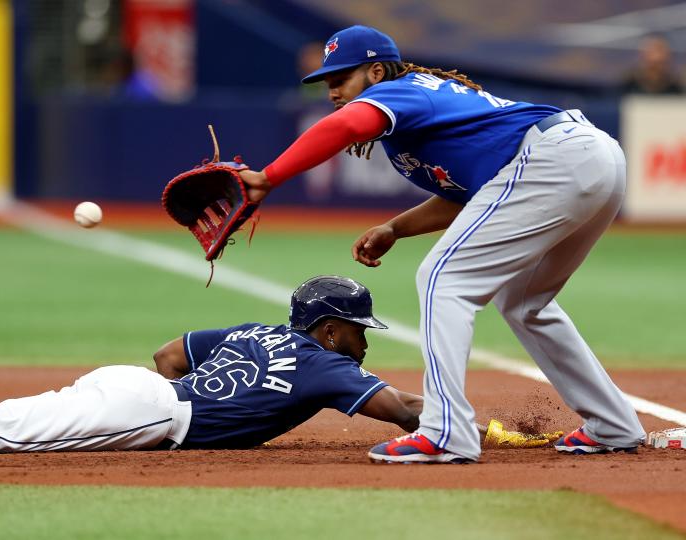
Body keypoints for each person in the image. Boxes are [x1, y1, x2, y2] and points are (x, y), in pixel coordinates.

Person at [236, 25, 646, 463]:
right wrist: (395, 228)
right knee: (525, 303)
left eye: (341, 80)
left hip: (553, 160)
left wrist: (268, 176)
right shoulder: (414, 112)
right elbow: (469, 195)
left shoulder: (402, 90)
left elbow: (349, 123)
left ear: (376, 72)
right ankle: (612, 424)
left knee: (442, 278)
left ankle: (445, 431)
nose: (333, 92)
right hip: (584, 159)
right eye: (328, 84)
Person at [0, 276, 554, 456]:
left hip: (138, 386)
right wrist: (486, 428)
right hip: (155, 414)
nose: (366, 343)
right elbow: (412, 415)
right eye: (358, 330)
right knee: (1, 434)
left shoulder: (253, 329)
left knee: (9, 429)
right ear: (328, 327)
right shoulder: (323, 368)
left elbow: (168, 354)